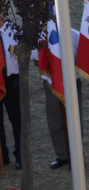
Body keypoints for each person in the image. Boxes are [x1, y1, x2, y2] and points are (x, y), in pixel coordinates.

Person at [32, 28, 83, 169]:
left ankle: (77, 154)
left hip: (72, 81)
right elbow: (36, 61)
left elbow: (84, 59)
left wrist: (66, 64)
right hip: (51, 82)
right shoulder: (41, 36)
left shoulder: (75, 35)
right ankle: (62, 156)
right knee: (55, 118)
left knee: (75, 117)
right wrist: (52, 62)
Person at [0, 8, 22, 170]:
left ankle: (20, 155)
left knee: (17, 120)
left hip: (12, 80)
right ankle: (2, 155)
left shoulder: (13, 30)